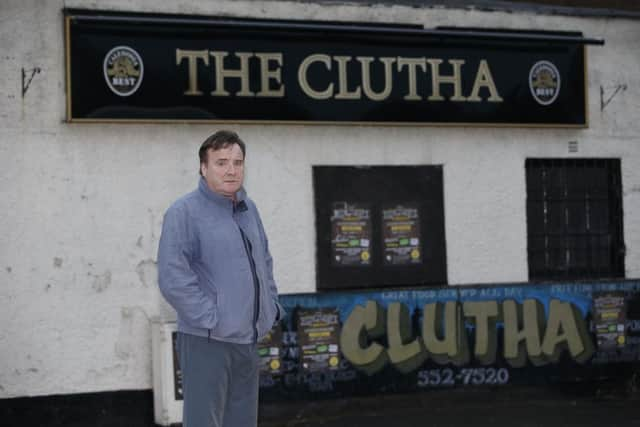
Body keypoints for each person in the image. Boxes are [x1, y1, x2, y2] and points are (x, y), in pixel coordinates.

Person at [158, 130, 282, 427]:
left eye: (237, 162)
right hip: (207, 340)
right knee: (204, 422)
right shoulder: (184, 212)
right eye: (221, 162)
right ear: (203, 168)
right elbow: (172, 277)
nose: (231, 170)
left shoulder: (248, 210)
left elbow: (264, 261)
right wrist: (211, 318)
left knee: (241, 423)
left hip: (247, 339)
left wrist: (271, 308)